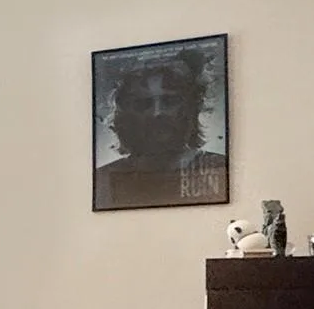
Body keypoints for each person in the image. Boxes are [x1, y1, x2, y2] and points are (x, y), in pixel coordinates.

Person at [94, 46, 226, 209]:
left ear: (191, 107)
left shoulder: (220, 168)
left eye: (169, 101)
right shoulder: (103, 180)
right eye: (144, 104)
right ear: (126, 114)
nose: (157, 113)